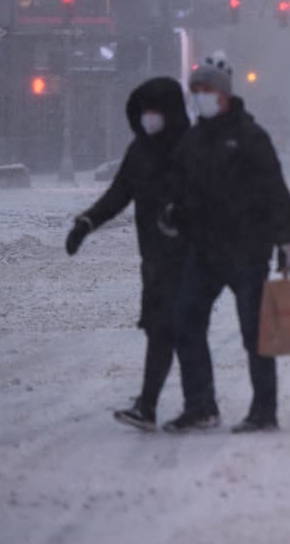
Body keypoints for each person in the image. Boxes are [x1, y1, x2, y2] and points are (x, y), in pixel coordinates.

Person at [161, 52, 290, 434]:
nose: (198, 97)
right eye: (195, 90)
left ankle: (263, 410)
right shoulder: (192, 141)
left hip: (247, 252)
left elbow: (275, 191)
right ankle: (200, 405)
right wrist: (172, 212)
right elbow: (177, 187)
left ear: (222, 94)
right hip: (203, 252)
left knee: (254, 332)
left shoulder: (250, 137)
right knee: (186, 322)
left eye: (204, 90)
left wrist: (286, 242)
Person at [65, 77, 190, 432]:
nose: (150, 118)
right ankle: (188, 403)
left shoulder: (190, 148)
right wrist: (87, 223)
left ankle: (156, 405)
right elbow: (118, 194)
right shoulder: (140, 151)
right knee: (164, 330)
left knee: (172, 330)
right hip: (152, 258)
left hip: (187, 257)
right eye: (145, 111)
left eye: (156, 111)